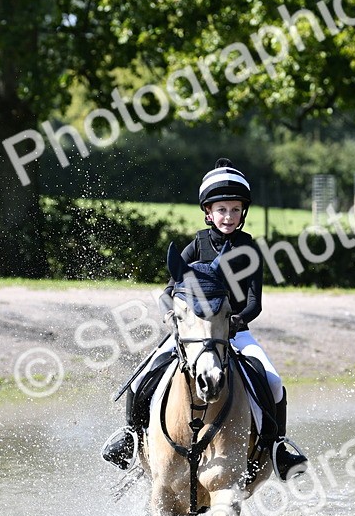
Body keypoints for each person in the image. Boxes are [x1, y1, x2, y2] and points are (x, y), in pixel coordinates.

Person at [100, 157, 308, 482]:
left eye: (235, 210)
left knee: (273, 381)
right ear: (208, 212)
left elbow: (255, 304)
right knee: (144, 376)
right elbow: (169, 291)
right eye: (222, 210)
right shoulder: (196, 245)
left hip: (233, 333)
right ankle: (130, 436)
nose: (229, 216)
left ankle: (277, 446)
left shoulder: (248, 250)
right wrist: (172, 314)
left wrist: (235, 322)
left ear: (243, 213)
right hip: (192, 334)